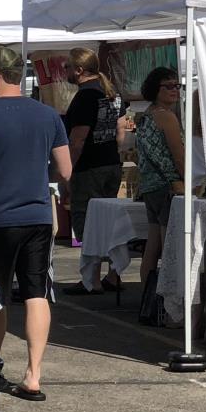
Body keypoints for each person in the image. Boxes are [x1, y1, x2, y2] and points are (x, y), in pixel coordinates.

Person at [0, 46, 72, 402]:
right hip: (37, 215)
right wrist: (40, 175)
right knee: (37, 291)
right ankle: (34, 374)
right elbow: (65, 170)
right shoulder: (48, 115)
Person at [62, 47, 127, 294]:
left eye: (68, 66)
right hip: (110, 163)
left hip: (89, 167)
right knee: (108, 223)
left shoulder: (84, 97)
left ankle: (92, 280)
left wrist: (67, 172)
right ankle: (112, 274)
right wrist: (112, 152)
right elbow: (120, 131)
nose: (65, 70)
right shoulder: (112, 93)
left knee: (86, 222)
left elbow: (77, 140)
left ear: (79, 70)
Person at [134, 67, 185, 296]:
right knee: (169, 249)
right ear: (156, 89)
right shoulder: (165, 116)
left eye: (177, 85)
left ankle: (147, 299)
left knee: (152, 248)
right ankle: (168, 304)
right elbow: (179, 155)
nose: (175, 90)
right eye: (169, 86)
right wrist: (186, 180)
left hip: (150, 187)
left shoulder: (145, 114)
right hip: (168, 186)